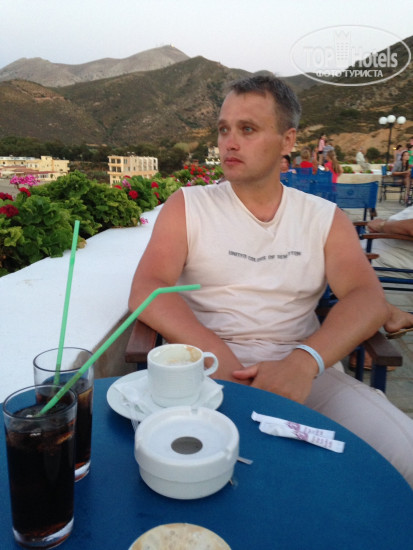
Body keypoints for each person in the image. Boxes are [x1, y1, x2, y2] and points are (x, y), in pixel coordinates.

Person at [129, 75, 413, 487]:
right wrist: (218, 357)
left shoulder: (323, 217)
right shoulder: (189, 205)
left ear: (287, 140)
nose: (229, 143)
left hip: (306, 371)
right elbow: (149, 287)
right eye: (224, 129)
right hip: (206, 374)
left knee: (405, 455)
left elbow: (366, 297)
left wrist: (304, 362)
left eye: (247, 129)